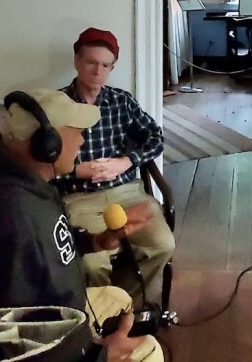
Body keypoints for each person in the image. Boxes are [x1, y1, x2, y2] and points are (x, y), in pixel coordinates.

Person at [0, 88, 163, 362]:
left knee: (117, 298)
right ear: (47, 145)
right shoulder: (10, 215)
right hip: (43, 344)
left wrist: (95, 242)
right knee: (148, 349)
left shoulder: (29, 184)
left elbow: (48, 246)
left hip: (61, 317)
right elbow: (17, 338)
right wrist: (99, 353)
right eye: (75, 131)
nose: (82, 139)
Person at [54, 28, 175, 306]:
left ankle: (120, 305)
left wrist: (126, 162)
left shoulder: (122, 101)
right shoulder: (57, 105)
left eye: (105, 65)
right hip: (79, 197)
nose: (98, 71)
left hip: (127, 193)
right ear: (76, 61)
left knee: (162, 245)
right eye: (91, 62)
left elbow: (156, 138)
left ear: (112, 68)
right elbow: (40, 162)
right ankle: (98, 317)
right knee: (92, 266)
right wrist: (76, 170)